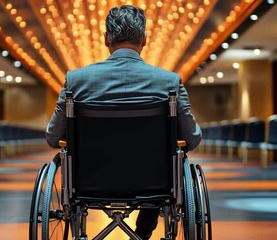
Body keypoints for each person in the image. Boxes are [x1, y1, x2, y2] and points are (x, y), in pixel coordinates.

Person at [46, 5, 202, 239]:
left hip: (88, 183)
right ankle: (143, 231)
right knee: (173, 159)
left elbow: (52, 137)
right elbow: (193, 138)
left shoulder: (75, 80)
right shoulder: (169, 81)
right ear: (145, 39)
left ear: (106, 38)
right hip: (155, 184)